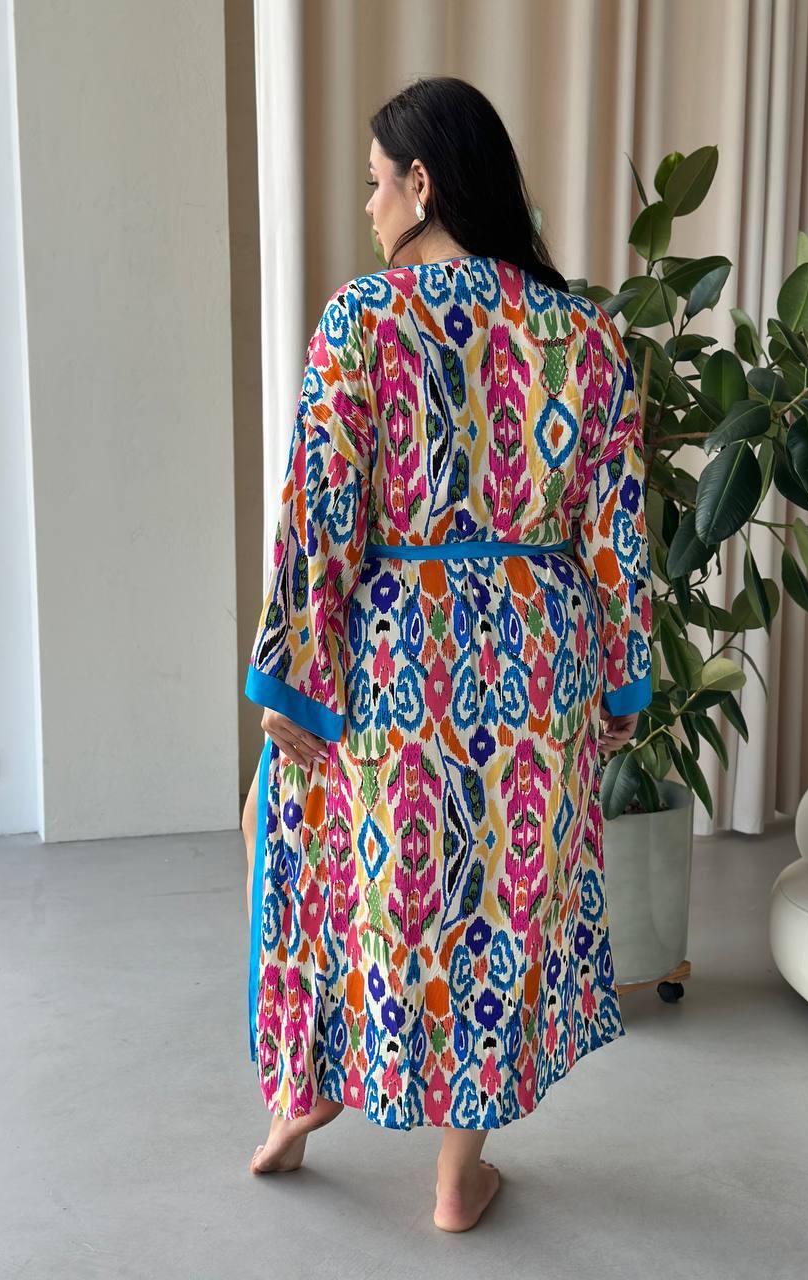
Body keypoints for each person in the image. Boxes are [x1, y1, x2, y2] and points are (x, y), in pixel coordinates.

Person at [241, 75, 653, 1231]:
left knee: (325, 845)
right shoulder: (585, 333)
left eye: (378, 183)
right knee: (499, 899)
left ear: (423, 182)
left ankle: (306, 1081)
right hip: (537, 661)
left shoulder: (362, 320)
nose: (369, 207)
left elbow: (321, 511)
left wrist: (293, 675)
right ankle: (455, 1174)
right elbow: (615, 525)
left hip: (399, 653)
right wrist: (621, 675)